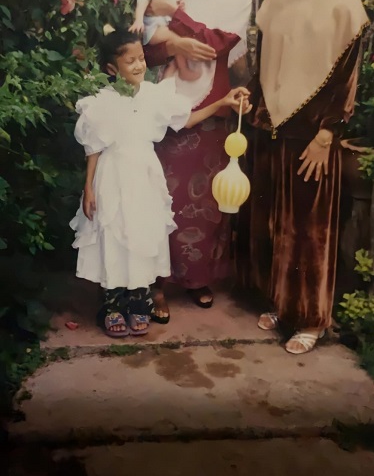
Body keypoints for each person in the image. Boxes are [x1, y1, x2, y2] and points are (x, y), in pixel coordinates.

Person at [70, 27, 250, 338]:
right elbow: (94, 148)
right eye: (130, 61)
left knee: (143, 234)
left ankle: (139, 302)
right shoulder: (101, 103)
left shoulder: (155, 96)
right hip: (112, 176)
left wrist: (224, 100)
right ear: (112, 69)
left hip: (145, 175)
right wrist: (88, 188)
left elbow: (187, 119)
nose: (139, 65)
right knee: (115, 234)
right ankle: (113, 306)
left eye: (141, 58)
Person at [240, 0, 369, 354]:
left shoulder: (344, 11)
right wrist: (251, 99)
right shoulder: (275, 7)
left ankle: (312, 319)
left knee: (310, 231)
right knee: (277, 223)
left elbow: (346, 81)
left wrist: (329, 131)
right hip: (271, 130)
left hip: (313, 135)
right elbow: (265, 69)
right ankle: (283, 304)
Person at [142, 0, 252, 321]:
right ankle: (156, 281)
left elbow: (218, 44)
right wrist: (175, 44)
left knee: (205, 200)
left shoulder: (237, 1)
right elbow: (150, 50)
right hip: (169, 108)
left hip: (213, 111)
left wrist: (179, 22)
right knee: (163, 196)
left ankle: (197, 277)